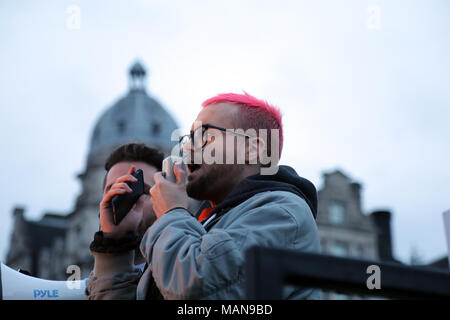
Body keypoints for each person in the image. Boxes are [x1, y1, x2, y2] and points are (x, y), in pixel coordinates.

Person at [86, 92, 321, 300]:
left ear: (251, 149)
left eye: (204, 136)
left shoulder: (283, 213)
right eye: (187, 140)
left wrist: (171, 213)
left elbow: (196, 291)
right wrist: (115, 247)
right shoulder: (203, 224)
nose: (187, 149)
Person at [85, 142, 163, 299]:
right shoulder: (90, 286)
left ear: (164, 199)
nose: (123, 198)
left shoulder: (181, 272)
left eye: (139, 189)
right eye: (114, 189)